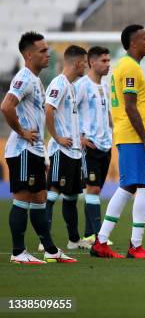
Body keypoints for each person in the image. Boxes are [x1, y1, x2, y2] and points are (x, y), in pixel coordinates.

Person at [1, 31, 76, 263]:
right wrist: (22, 132)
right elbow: (6, 106)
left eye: (47, 49)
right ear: (29, 54)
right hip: (22, 150)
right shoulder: (23, 78)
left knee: (40, 198)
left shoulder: (35, 79)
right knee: (23, 200)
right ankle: (18, 252)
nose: (48, 54)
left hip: (33, 150)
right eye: (43, 50)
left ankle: (51, 250)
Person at [91, 25, 145, 259]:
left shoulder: (125, 66)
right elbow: (130, 106)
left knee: (130, 186)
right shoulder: (130, 68)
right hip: (133, 136)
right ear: (133, 44)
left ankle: (102, 241)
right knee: (144, 186)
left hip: (126, 134)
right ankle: (135, 246)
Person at [45, 45, 89, 250]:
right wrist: (57, 137)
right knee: (52, 193)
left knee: (71, 196)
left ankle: (73, 240)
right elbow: (49, 109)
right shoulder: (59, 83)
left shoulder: (71, 86)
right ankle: (44, 242)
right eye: (85, 62)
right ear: (77, 62)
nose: (86, 66)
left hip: (74, 151)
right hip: (61, 150)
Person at [75, 46, 113, 245]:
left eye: (108, 60)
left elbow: (107, 114)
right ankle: (97, 237)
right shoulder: (81, 85)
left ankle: (90, 235)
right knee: (93, 189)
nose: (108, 64)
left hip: (105, 146)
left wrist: (111, 131)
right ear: (92, 62)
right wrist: (79, 137)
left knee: (96, 190)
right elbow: (68, 112)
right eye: (104, 61)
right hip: (89, 145)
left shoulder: (105, 86)